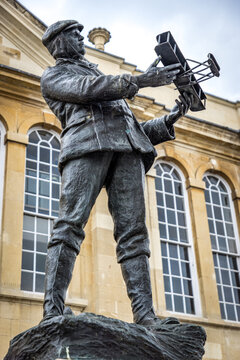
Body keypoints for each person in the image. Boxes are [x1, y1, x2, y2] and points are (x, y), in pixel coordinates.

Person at [41, 20, 192, 326]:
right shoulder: (55, 75)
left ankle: (145, 315)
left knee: (134, 234)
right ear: (59, 43)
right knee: (69, 226)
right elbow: (88, 90)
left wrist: (170, 119)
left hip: (127, 154)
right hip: (87, 147)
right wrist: (141, 81)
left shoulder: (100, 75)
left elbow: (130, 128)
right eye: (75, 36)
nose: (82, 40)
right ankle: (53, 310)